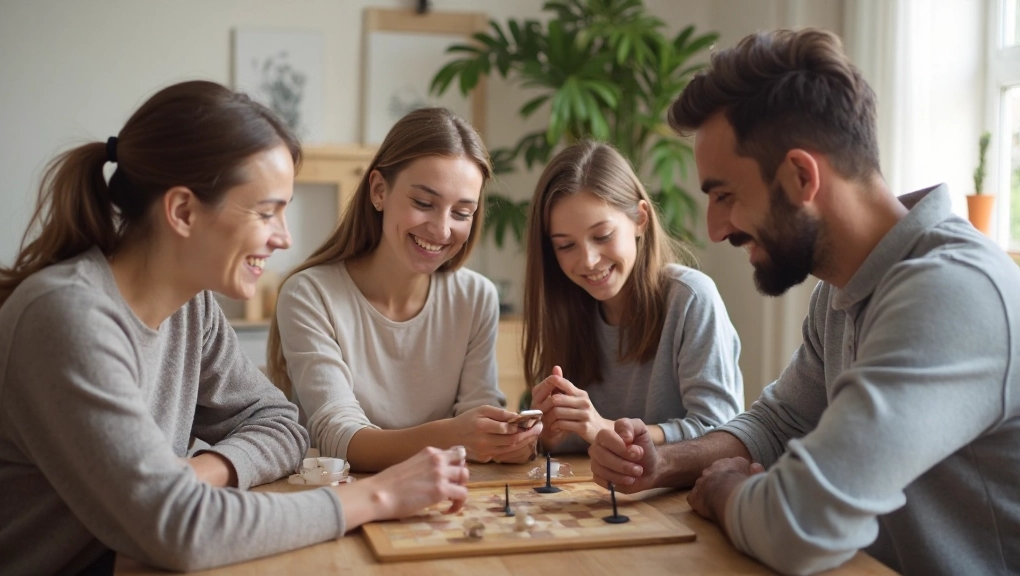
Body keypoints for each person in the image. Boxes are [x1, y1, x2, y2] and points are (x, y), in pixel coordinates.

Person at [588, 28, 1020, 576]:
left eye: (724, 195)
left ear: (800, 176)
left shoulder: (952, 292)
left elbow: (802, 524)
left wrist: (726, 493)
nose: (714, 230)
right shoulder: (842, 288)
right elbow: (779, 423)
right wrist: (661, 463)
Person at [0, 81, 471, 575]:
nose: (284, 239)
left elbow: (283, 423)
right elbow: (180, 529)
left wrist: (202, 472)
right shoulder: (66, 318)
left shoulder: (190, 306)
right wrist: (376, 495)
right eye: (267, 212)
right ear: (182, 211)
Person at [268, 107, 541, 472]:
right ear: (379, 191)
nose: (442, 230)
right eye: (424, 203)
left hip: (444, 501)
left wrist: (509, 442)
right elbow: (338, 437)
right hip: (346, 506)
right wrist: (454, 436)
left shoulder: (476, 298)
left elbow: (478, 417)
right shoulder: (310, 295)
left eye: (462, 212)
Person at [521, 141, 743, 455]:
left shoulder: (691, 298)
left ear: (640, 219)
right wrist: (546, 435)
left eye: (602, 236)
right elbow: (573, 447)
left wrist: (604, 428)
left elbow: (720, 432)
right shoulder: (564, 308)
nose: (588, 260)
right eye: (565, 246)